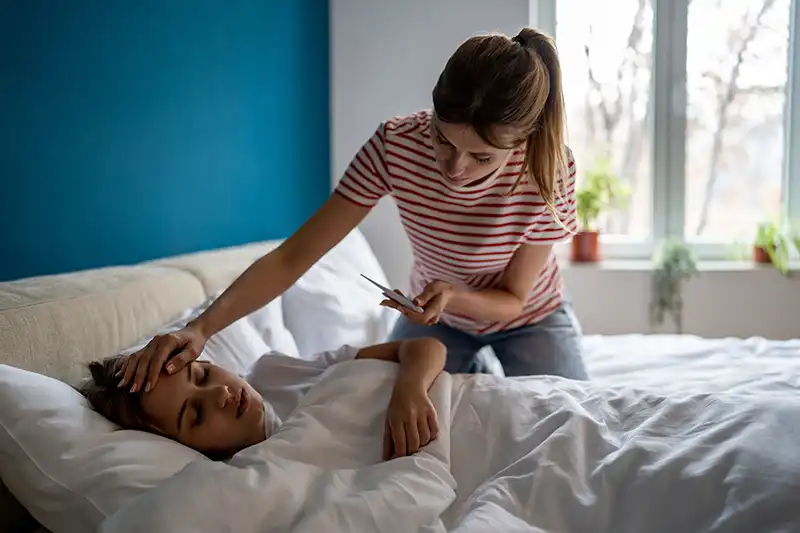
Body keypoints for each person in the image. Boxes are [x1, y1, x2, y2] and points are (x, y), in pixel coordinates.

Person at [117, 26, 587, 396]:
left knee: (567, 414)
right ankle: (475, 366)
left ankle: (480, 366)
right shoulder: (395, 146)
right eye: (443, 140)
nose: (456, 168)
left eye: (481, 157)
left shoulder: (548, 169)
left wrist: (453, 294)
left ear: (521, 142)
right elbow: (291, 258)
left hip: (531, 317)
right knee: (374, 410)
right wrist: (200, 328)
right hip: (437, 320)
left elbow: (513, 298)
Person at [79, 337, 446, 460]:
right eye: (196, 414)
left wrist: (410, 391)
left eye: (203, 375)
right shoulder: (248, 476)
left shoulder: (274, 372)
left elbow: (424, 346)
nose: (220, 393)